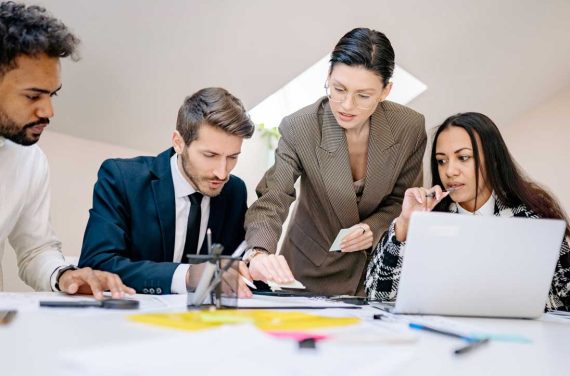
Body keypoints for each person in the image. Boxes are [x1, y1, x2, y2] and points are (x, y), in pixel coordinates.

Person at [244, 28, 427, 296]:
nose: (346, 105)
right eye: (338, 89)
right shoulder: (300, 128)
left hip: (376, 273)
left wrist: (373, 227)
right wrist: (258, 253)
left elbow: (404, 200)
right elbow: (273, 198)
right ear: (328, 77)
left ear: (386, 91)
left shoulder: (409, 127)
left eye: (363, 95)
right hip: (306, 273)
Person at [365, 112, 570, 311]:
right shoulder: (429, 220)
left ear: (494, 160)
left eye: (463, 157)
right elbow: (378, 296)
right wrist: (405, 223)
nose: (450, 171)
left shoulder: (532, 217)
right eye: (441, 161)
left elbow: (564, 296)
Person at [0, 1, 134, 299]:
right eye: (33, 95)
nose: (48, 111)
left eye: (52, 94)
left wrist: (64, 275)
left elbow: (36, 249)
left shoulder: (28, 159)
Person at [79, 87, 255, 296]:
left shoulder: (234, 191)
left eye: (233, 157)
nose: (222, 172)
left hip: (205, 324)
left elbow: (234, 268)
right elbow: (97, 263)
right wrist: (186, 276)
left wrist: (253, 267)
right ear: (178, 143)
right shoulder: (122, 179)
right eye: (210, 155)